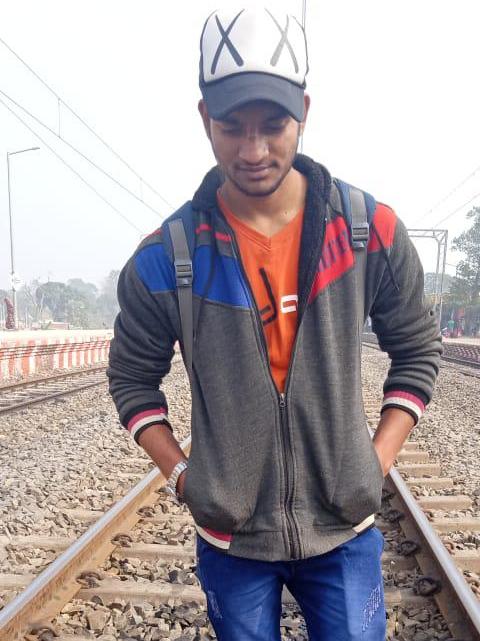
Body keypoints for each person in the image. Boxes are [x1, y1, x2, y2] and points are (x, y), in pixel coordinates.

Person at [107, 6, 442, 640]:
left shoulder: (367, 232)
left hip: (343, 532)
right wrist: (184, 477)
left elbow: (418, 350)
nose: (253, 150)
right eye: (232, 127)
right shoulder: (167, 258)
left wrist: (374, 463)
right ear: (204, 119)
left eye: (273, 125)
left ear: (304, 113)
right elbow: (130, 379)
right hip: (231, 540)